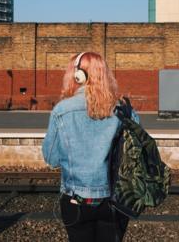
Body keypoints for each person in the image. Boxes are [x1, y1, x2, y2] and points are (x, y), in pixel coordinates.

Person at [42, 52, 135, 242]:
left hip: (76, 200)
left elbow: (51, 159)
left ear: (78, 76)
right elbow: (135, 152)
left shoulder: (62, 110)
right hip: (115, 200)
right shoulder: (124, 110)